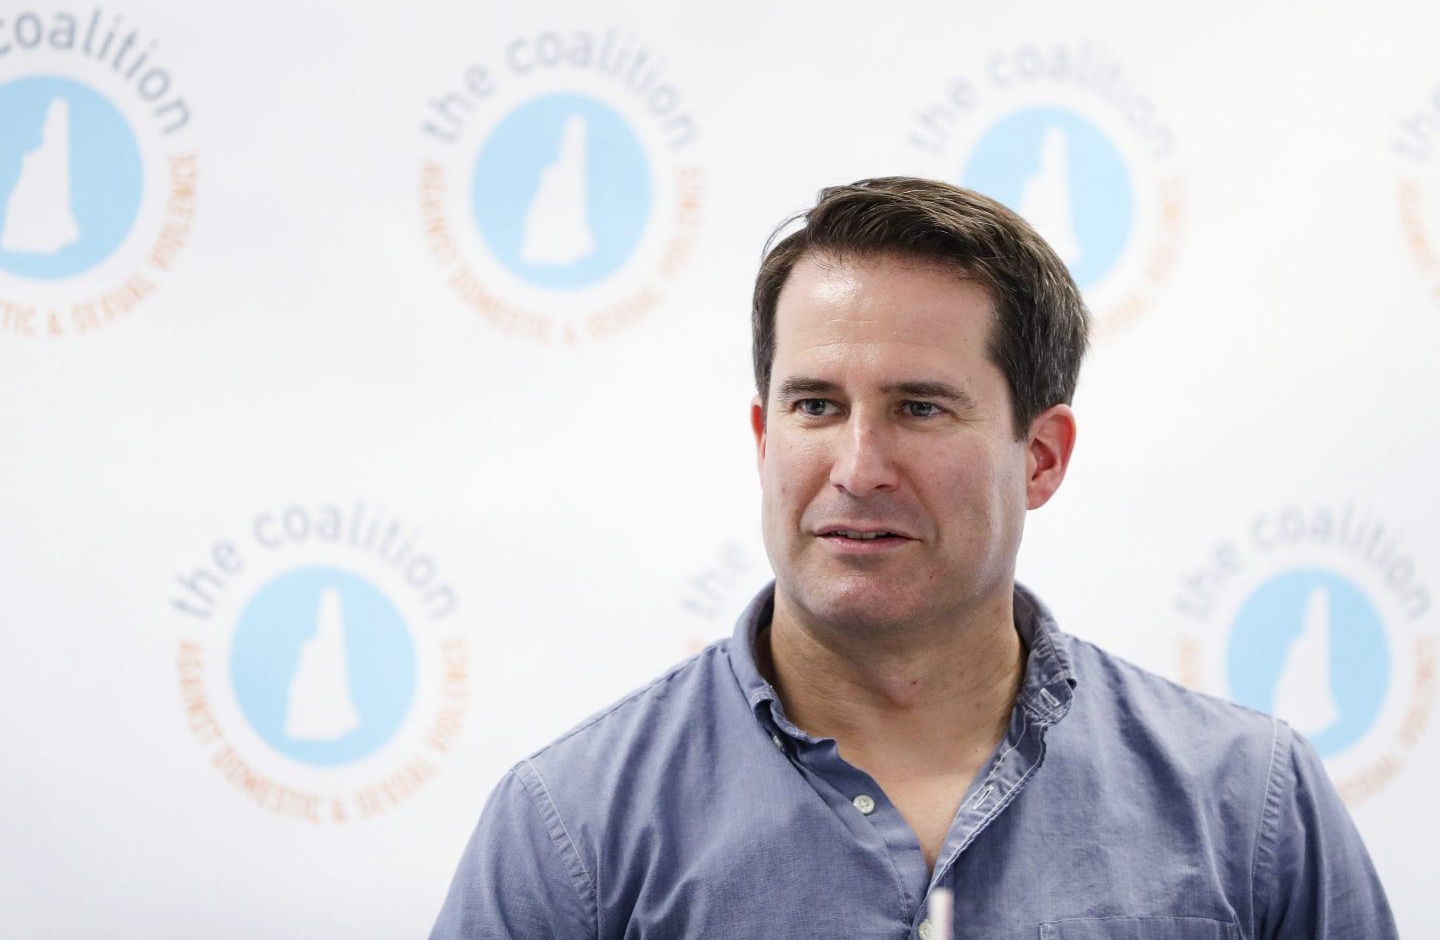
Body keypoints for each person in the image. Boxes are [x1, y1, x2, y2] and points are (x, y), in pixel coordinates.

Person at [430, 177, 1397, 939]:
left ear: (1042, 456)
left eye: (919, 408)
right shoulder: (571, 826)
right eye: (816, 405)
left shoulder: (1251, 802)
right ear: (765, 437)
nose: (857, 468)